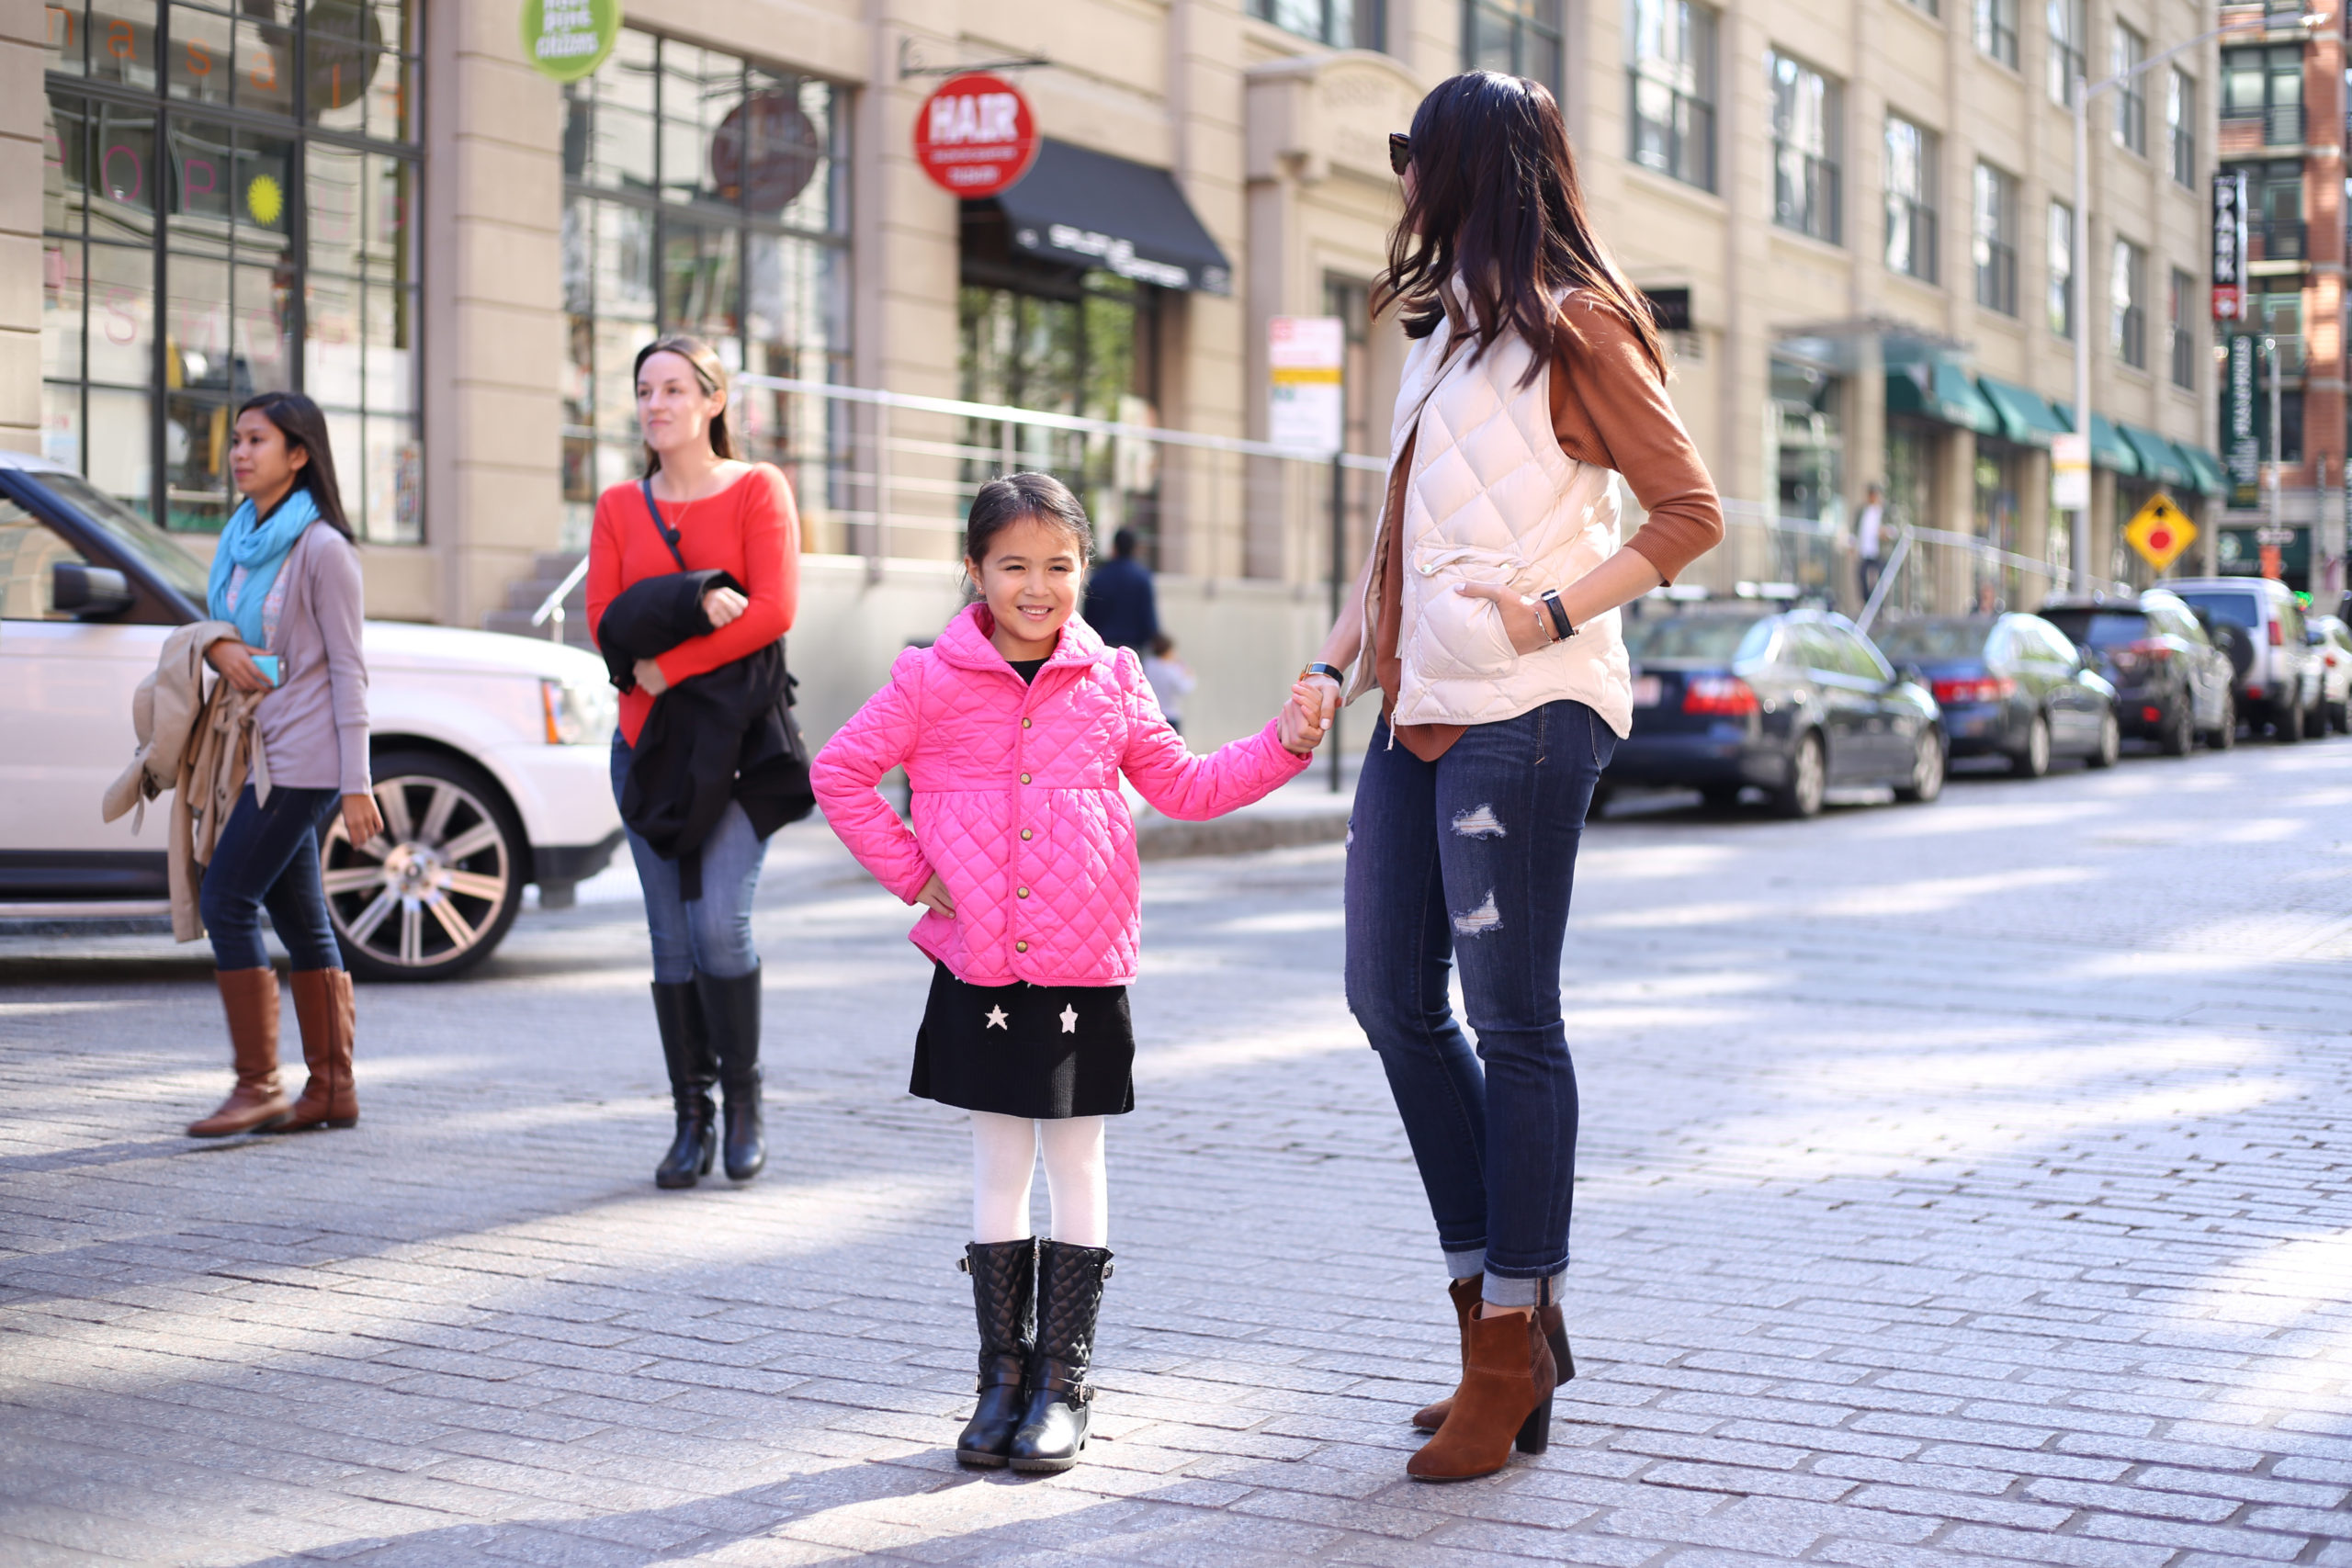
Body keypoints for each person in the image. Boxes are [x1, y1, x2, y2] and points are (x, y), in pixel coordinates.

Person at [1296, 73, 1724, 1482]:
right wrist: (1340, 655)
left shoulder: (1575, 324)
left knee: (1513, 1018)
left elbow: (1689, 508)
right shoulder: (1444, 334)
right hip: (1419, 704)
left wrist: (1555, 608)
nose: (1401, 175)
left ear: (1471, 165)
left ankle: (1510, 1339)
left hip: (1530, 708)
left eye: (1416, 154)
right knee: (1386, 997)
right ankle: (1501, 1313)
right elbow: (1393, 534)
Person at [810, 473, 1326, 1473]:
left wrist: (1285, 742)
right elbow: (839, 772)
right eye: (1013, 566)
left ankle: (1063, 1384)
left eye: (1057, 566)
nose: (1036, 587)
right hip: (982, 966)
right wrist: (920, 876)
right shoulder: (930, 677)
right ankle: (999, 1380)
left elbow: (1183, 784)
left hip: (1085, 966)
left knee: (1076, 1161)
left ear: (1083, 570)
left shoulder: (1113, 678)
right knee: (998, 1162)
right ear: (975, 571)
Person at [585, 334, 802, 1190]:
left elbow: (772, 610)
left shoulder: (757, 488)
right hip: (645, 750)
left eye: (675, 388)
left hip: (740, 752)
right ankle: (691, 1118)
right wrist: (693, 599)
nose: (657, 404)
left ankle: (744, 1101)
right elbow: (605, 622)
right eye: (645, 389)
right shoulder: (616, 506)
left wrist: (669, 660)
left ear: (714, 401)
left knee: (719, 923)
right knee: (670, 940)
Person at [187, 392, 380, 1139]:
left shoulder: (324, 549)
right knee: (302, 917)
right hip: (256, 747)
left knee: (227, 898)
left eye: (256, 440)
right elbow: (227, 627)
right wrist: (214, 644)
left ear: (298, 455)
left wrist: (357, 782)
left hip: (305, 757)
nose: (239, 452)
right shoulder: (240, 535)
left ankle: (257, 1084)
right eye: (236, 439)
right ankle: (332, 1088)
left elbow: (349, 669)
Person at [1080, 526, 1159, 652]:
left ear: (1114, 547)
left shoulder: (1099, 578)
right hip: (1134, 649)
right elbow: (1149, 623)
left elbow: (1087, 620)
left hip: (1102, 649)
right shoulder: (1142, 578)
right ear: (1135, 548)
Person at [1140, 635, 1195, 735]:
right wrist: (1188, 674)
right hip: (1170, 715)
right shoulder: (1171, 669)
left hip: (1150, 714)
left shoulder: (1147, 664)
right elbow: (1184, 688)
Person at [1857, 482, 1886, 605]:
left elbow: (1892, 530)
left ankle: (1879, 606)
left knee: (1880, 579)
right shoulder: (1862, 511)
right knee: (1862, 576)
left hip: (1878, 551)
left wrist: (1885, 533)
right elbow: (1857, 529)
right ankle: (1867, 603)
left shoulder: (1883, 512)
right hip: (1865, 550)